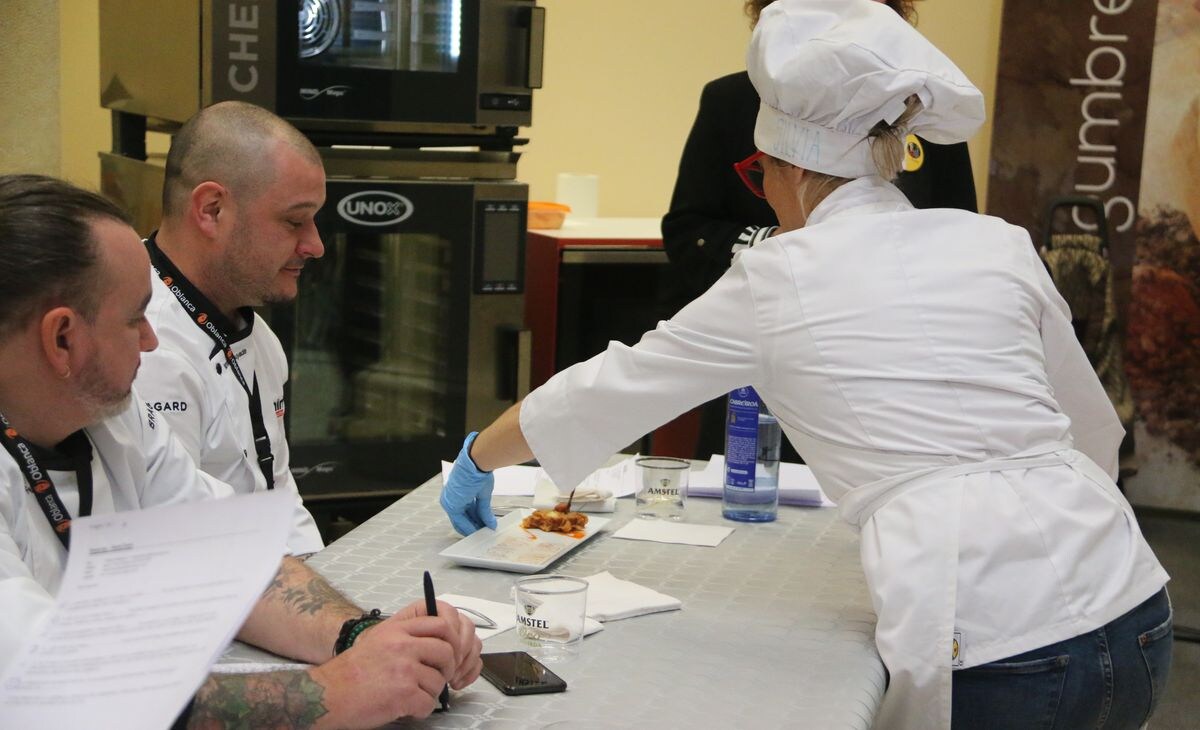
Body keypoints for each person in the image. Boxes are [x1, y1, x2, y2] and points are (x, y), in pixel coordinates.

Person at [441, 2, 1172, 728]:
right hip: (1133, 598)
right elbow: (1089, 425)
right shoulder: (993, 241)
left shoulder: (777, 274)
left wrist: (479, 455)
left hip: (992, 641)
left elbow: (608, 390)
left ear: (783, 170)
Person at [0, 174, 482, 727]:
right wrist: (332, 693)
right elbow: (62, 691)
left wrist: (362, 637)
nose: (151, 340)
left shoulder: (112, 419)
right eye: (135, 318)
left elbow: (229, 558)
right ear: (61, 338)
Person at [663, 0, 978, 461]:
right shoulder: (732, 102)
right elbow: (689, 232)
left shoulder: (918, 109)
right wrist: (790, 250)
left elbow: (955, 234)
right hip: (766, 367)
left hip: (890, 367)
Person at [133, 101, 325, 555]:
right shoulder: (144, 348)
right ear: (212, 210)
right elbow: (176, 546)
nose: (315, 245)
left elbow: (277, 494)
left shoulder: (258, 337)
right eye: (294, 221)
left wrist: (340, 603)